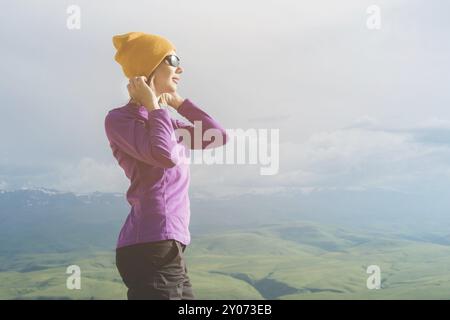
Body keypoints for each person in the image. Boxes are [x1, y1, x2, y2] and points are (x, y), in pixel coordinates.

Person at [104, 32, 229, 300]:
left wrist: (177, 102)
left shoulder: (168, 123)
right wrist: (153, 105)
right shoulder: (121, 120)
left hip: (168, 245)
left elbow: (218, 136)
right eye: (172, 59)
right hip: (150, 245)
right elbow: (163, 155)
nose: (180, 68)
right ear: (149, 68)